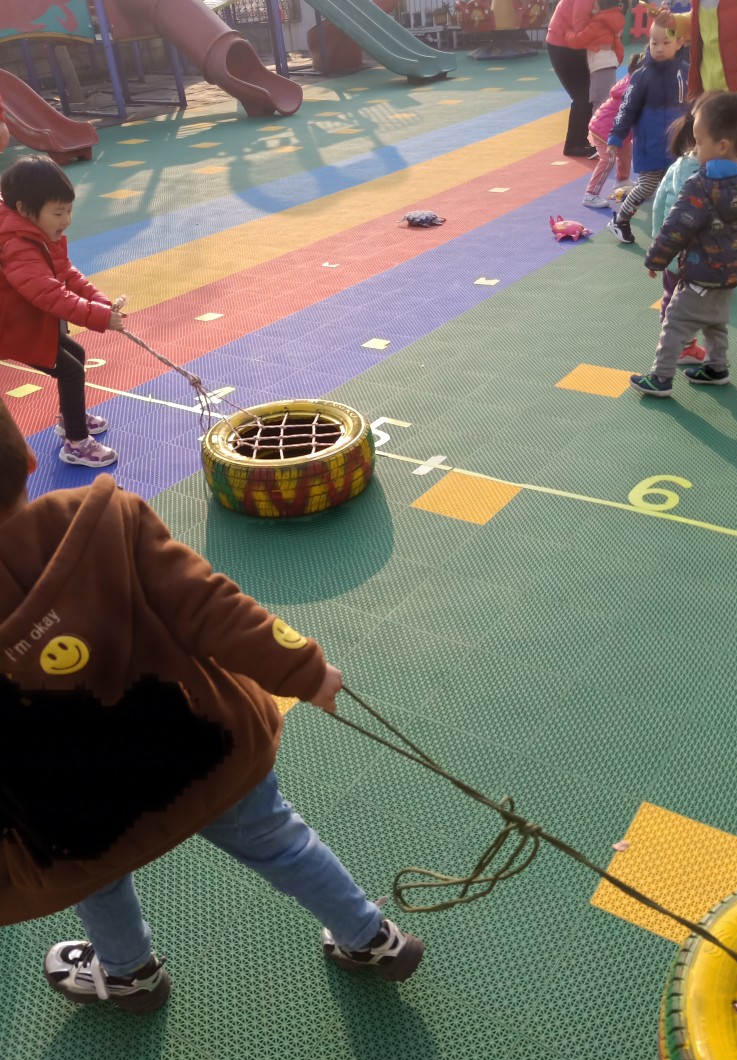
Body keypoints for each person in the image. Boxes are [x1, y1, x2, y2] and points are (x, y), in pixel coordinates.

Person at [0, 401, 424, 1010]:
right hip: (207, 747)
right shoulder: (103, 520)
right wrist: (304, 670)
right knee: (277, 837)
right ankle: (370, 938)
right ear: (27, 457)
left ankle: (129, 973)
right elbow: (209, 606)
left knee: (97, 879)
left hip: (79, 811)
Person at [629, 91, 737, 396]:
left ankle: (661, 377)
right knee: (716, 320)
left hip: (700, 271)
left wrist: (656, 259)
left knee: (675, 322)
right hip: (733, 271)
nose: (695, 148)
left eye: (700, 142)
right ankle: (717, 368)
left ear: (722, 145)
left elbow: (676, 227)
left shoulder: (701, 185)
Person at [0, 157, 124, 469]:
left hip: (31, 320)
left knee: (76, 355)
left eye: (69, 210)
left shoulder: (36, 233)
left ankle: (70, 418)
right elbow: (50, 294)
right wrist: (99, 317)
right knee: (69, 370)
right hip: (15, 328)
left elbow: (65, 272)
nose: (67, 219)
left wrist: (101, 303)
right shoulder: (18, 245)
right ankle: (77, 443)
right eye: (58, 213)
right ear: (24, 209)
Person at [606, 12, 689, 244]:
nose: (659, 48)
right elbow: (627, 107)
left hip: (678, 145)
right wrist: (616, 136)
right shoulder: (642, 75)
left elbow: (695, 104)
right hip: (650, 144)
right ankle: (620, 220)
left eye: (666, 42)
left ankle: (672, 228)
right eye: (654, 43)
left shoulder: (686, 72)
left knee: (679, 186)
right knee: (647, 186)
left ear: (679, 43)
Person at [650, 100, 707, 364]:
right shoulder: (700, 174)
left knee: (672, 298)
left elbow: (659, 204)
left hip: (672, 253)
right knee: (686, 304)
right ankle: (681, 347)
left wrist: (658, 246)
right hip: (690, 256)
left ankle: (675, 343)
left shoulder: (678, 166)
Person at [583, 52, 642, 209]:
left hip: (616, 129)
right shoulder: (633, 89)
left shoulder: (633, 83)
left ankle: (622, 180)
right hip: (605, 129)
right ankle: (590, 194)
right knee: (608, 159)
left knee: (626, 151)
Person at [547, 0, 601, 157]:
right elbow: (579, 29)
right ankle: (574, 144)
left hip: (571, 44)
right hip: (563, 45)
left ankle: (580, 141)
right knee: (583, 95)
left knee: (587, 94)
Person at [565, 0, 626, 113]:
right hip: (609, 66)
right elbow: (618, 46)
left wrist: (568, 33)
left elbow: (578, 40)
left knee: (599, 104)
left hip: (599, 67)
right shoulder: (613, 23)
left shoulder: (597, 24)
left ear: (599, 7)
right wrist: (617, 60)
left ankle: (598, 124)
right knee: (606, 101)